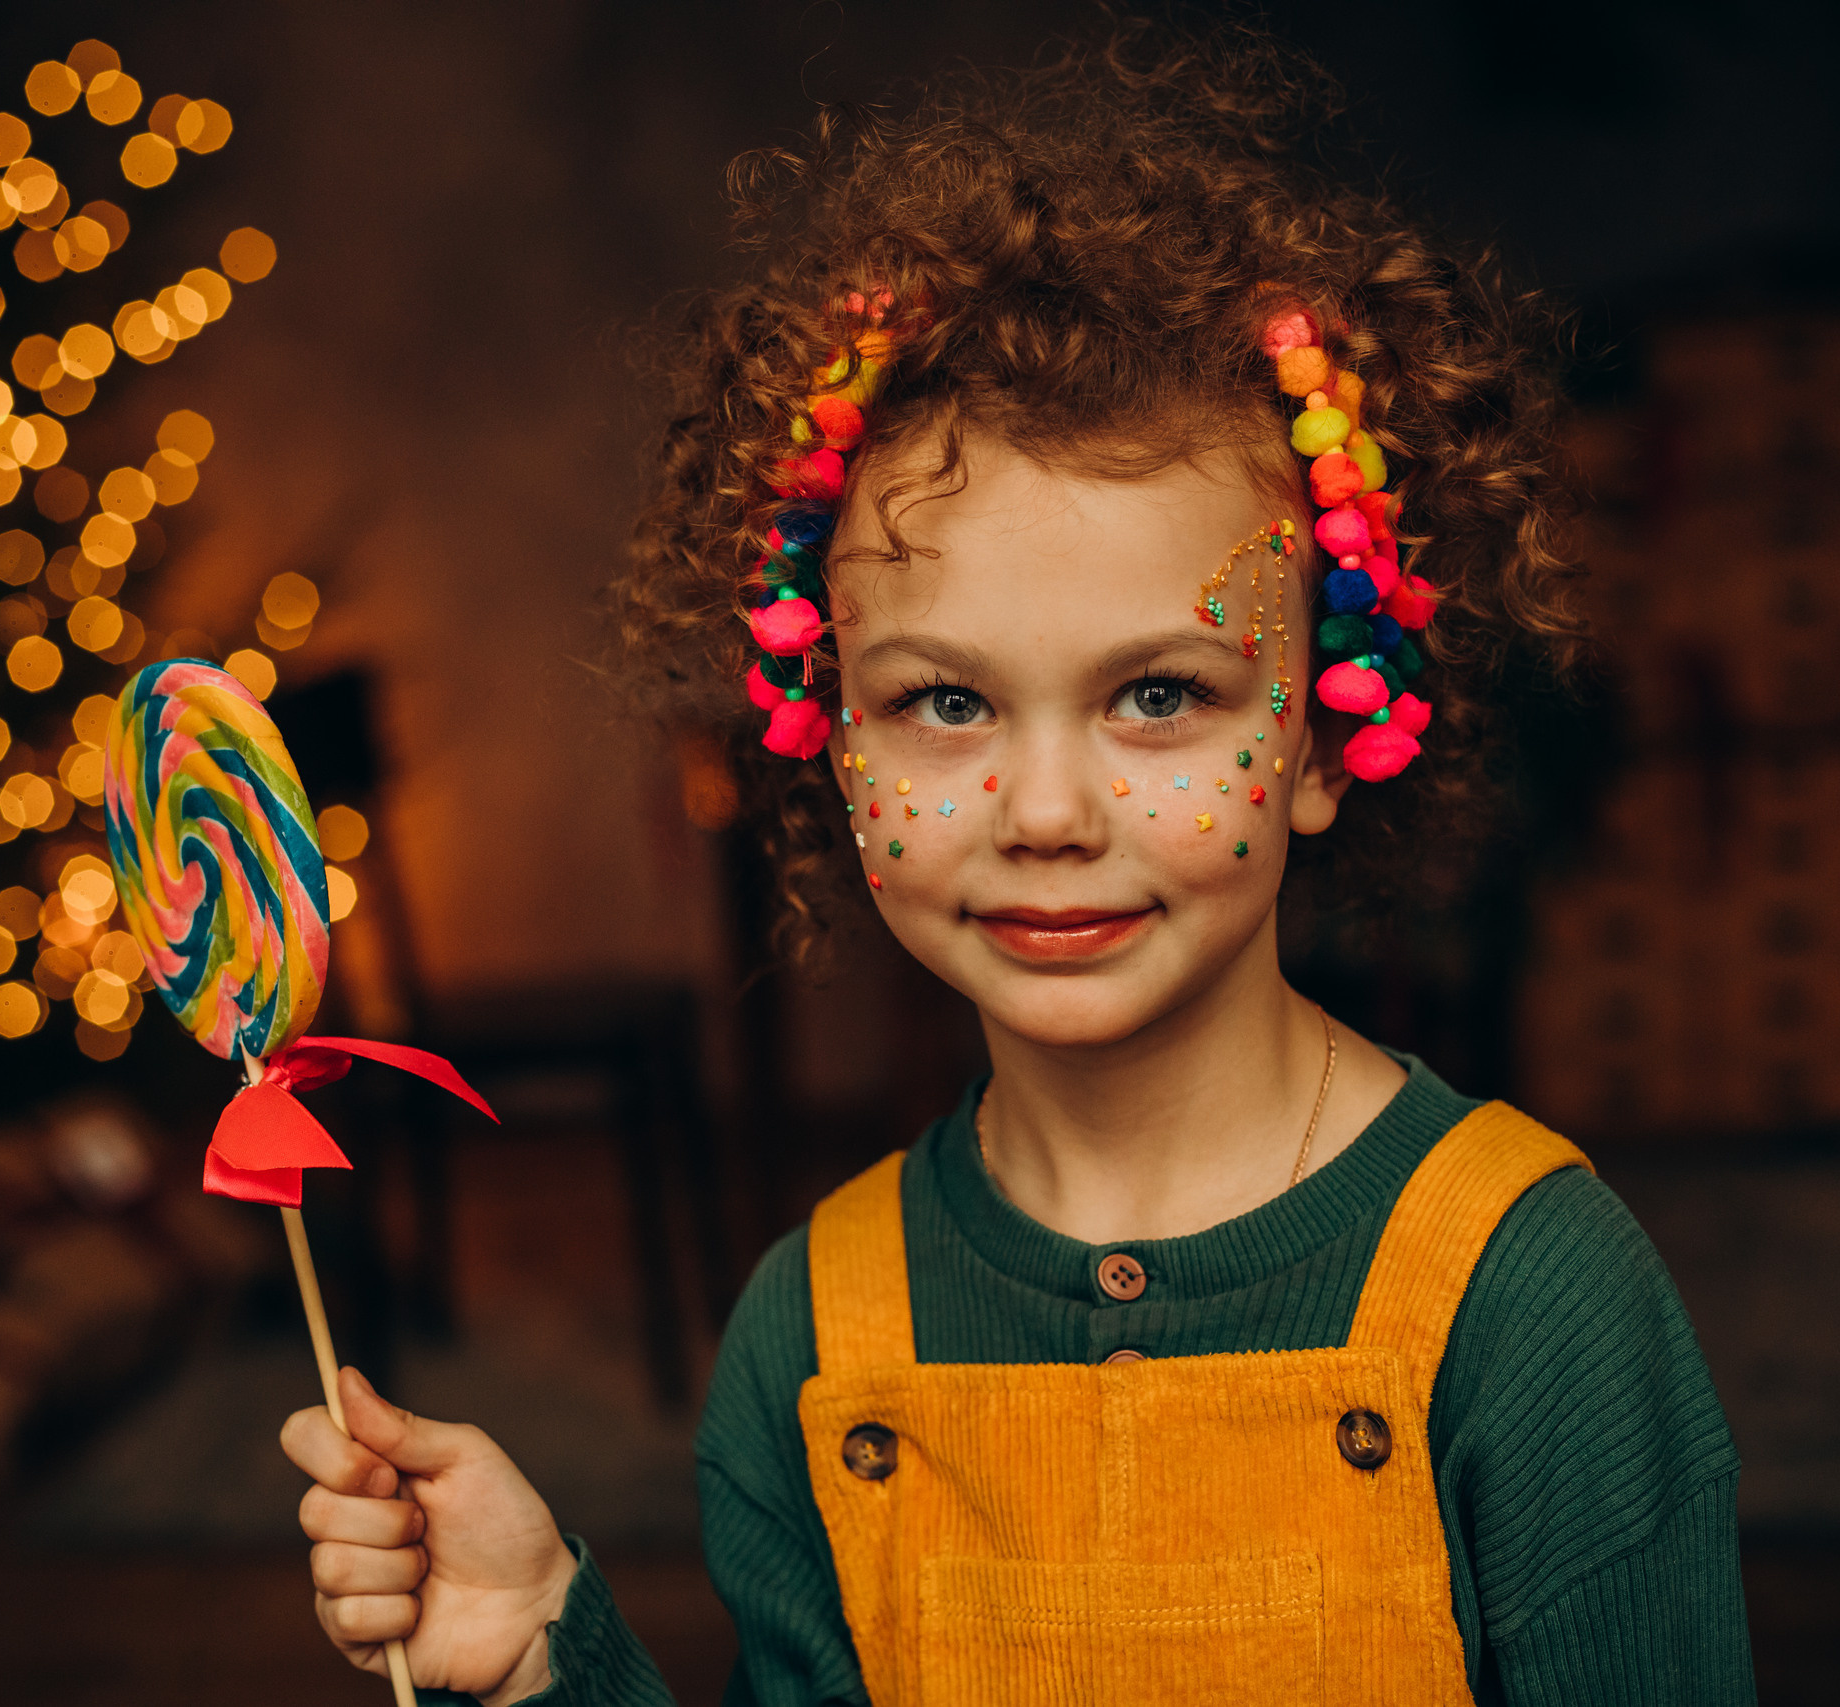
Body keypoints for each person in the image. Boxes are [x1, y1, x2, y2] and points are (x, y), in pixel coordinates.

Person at [282, 21, 1751, 1705]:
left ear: (1334, 735)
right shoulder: (817, 1337)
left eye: (1158, 695)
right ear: (831, 734)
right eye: (947, 701)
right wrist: (548, 1657)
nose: (1044, 810)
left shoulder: (1535, 1294)